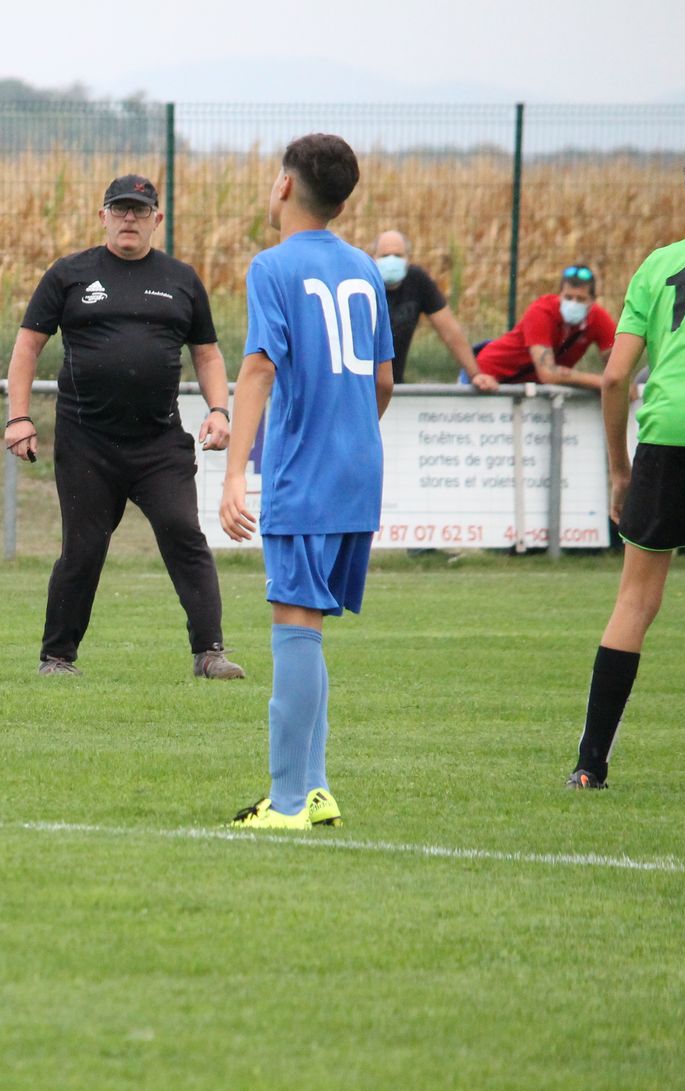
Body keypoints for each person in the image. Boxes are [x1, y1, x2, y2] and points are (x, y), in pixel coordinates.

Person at [568, 147, 685, 790]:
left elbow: (614, 377)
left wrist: (620, 470)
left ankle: (589, 766)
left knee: (635, 601)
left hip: (666, 435)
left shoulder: (659, 263)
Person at [219, 133, 394, 830]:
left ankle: (288, 801)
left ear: (286, 186)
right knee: (309, 625)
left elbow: (259, 367)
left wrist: (235, 471)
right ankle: (315, 788)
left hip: (304, 474)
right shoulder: (365, 268)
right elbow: (383, 380)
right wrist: (350, 433)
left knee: (292, 622)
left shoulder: (273, 266)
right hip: (359, 471)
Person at [7, 173, 244, 681]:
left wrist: (220, 409)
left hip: (159, 442)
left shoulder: (182, 279)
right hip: (86, 442)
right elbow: (28, 345)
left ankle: (210, 653)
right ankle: (57, 657)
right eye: (120, 209)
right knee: (84, 548)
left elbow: (207, 354)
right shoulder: (69, 274)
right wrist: (19, 417)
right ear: (103, 217)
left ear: (157, 218)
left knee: (184, 533)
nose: (129, 218)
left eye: (139, 209)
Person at [371, 230, 496, 390]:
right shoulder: (363, 282)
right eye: (384, 256)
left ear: (408, 259)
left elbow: (449, 331)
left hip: (395, 385)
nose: (391, 260)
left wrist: (475, 374)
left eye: (398, 255)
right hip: (362, 382)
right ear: (373, 258)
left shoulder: (417, 281)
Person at [473, 264, 616, 389]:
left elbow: (617, 366)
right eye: (568, 297)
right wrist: (603, 382)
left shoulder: (598, 317)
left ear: (592, 301)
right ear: (560, 295)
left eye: (580, 299)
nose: (573, 304)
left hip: (530, 388)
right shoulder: (541, 312)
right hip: (487, 378)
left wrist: (615, 383)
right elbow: (548, 374)